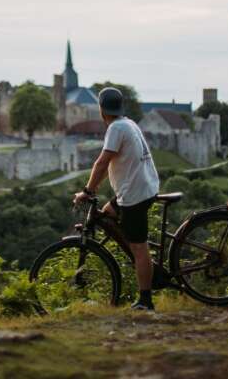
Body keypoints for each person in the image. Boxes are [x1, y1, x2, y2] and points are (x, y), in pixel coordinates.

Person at [73, 86, 160, 311]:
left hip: (135, 195)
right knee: (107, 213)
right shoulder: (128, 123)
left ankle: (146, 301)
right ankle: (138, 258)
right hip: (142, 188)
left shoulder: (115, 128)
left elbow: (102, 162)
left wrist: (88, 191)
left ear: (102, 110)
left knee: (139, 248)